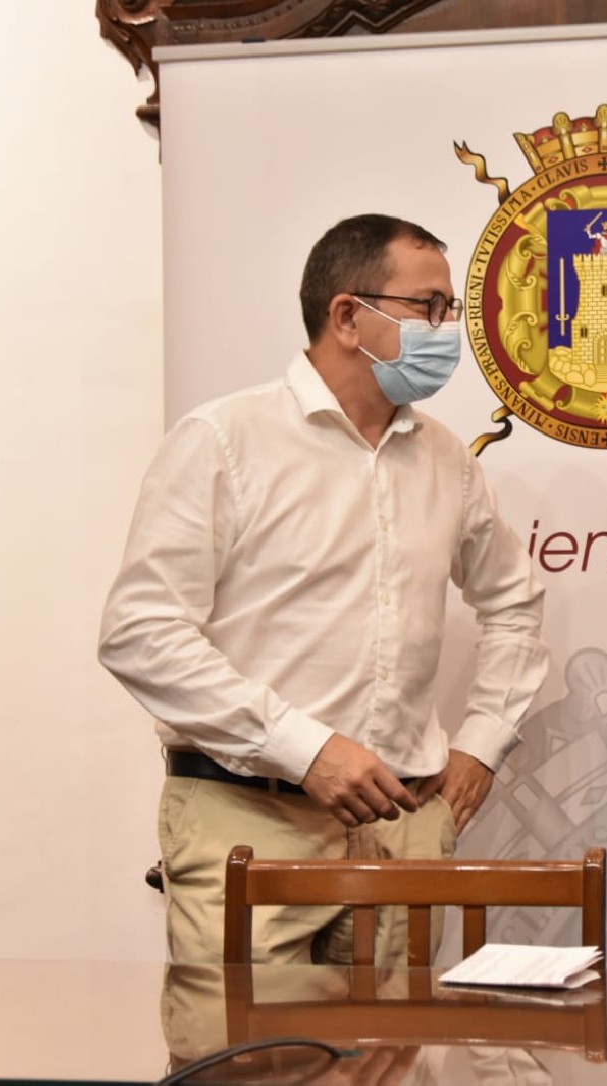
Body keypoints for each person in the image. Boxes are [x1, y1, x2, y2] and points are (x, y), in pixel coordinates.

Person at [99, 213, 548, 965]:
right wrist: (303, 748)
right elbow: (140, 635)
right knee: (243, 1038)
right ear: (346, 316)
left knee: (397, 1039)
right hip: (248, 815)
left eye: (453, 310)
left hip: (403, 827)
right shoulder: (223, 440)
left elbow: (514, 603)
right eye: (429, 307)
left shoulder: (448, 461)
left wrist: (482, 742)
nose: (449, 331)